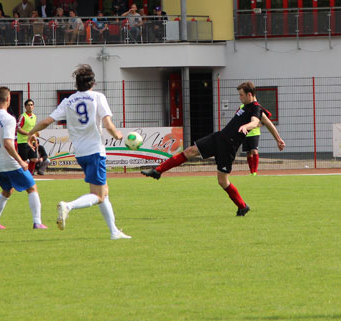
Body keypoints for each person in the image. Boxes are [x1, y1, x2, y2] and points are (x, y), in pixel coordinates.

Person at [142, 81, 284, 216]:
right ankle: (158, 171)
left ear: (249, 94)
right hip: (219, 138)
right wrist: (278, 139)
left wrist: (246, 126)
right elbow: (269, 123)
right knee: (190, 151)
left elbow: (255, 122)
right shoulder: (246, 107)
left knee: (222, 181)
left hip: (228, 147)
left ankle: (242, 206)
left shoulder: (256, 109)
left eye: (241, 95)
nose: (239, 97)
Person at [28, 64, 130, 239]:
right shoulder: (98, 97)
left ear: (76, 84)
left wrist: (30, 133)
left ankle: (114, 231)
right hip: (95, 151)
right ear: (93, 83)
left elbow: (47, 121)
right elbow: (107, 124)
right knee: (98, 195)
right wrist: (118, 135)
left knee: (103, 192)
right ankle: (69, 206)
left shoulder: (68, 101)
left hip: (81, 153)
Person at [0, 87, 47, 230]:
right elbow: (8, 144)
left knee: (7, 191)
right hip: (10, 163)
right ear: (8, 99)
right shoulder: (9, 118)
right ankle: (37, 222)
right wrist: (21, 161)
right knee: (32, 188)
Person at [243, 102, 283, 175]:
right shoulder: (242, 107)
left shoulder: (257, 107)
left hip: (255, 133)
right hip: (245, 134)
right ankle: (251, 172)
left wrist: (259, 124)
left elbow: (266, 118)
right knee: (248, 153)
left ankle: (255, 171)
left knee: (254, 151)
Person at [16, 100, 49, 175]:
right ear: (25, 106)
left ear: (33, 106)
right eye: (28, 105)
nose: (30, 106)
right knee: (24, 160)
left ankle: (30, 174)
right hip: (23, 141)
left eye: (31, 105)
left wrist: (36, 132)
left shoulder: (34, 116)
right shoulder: (23, 116)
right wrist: (29, 134)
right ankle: (22, 174)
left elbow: (33, 128)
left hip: (32, 142)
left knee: (34, 159)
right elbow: (18, 129)